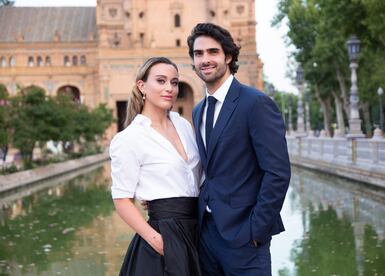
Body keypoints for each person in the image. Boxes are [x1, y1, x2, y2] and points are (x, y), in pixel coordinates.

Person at [187, 23, 291, 275]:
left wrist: (256, 230)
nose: (205, 60)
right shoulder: (199, 110)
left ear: (229, 56)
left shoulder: (255, 103)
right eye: (198, 54)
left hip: (245, 238)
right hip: (207, 235)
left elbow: (277, 173)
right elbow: (206, 170)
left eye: (213, 52)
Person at [109, 57, 202, 276]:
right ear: (142, 86)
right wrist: (158, 241)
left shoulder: (183, 125)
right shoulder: (130, 138)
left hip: (198, 230)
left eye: (175, 82)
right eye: (161, 81)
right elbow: (122, 200)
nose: (169, 88)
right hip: (163, 236)